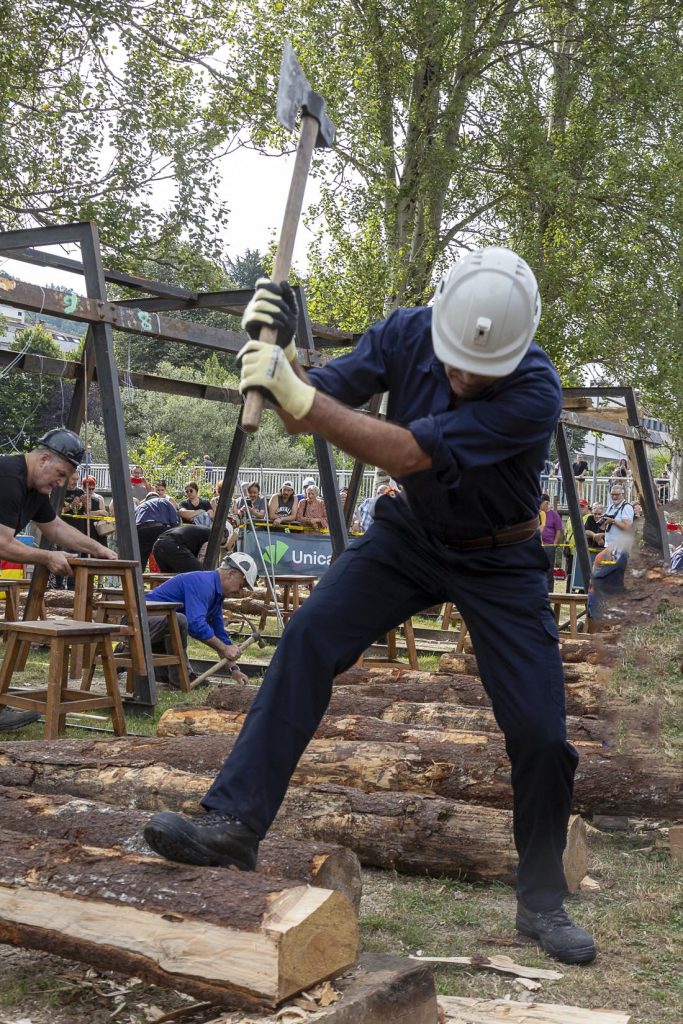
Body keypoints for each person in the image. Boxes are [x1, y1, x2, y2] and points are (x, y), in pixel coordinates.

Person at [144, 247, 596, 965]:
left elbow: (407, 451)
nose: (463, 376)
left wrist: (298, 394)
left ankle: (540, 900)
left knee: (540, 733)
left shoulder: (535, 390)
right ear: (439, 322)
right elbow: (305, 412)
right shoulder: (402, 331)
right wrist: (281, 358)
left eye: (481, 371)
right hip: (410, 535)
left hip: (501, 558)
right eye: (453, 361)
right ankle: (234, 820)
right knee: (308, 637)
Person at [0, 429, 117, 731]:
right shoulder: (8, 477)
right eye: (60, 474)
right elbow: (1, 543)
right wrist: (47, 557)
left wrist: (99, 549)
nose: (61, 483)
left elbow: (54, 527)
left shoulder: (35, 491)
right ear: (44, 458)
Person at [141, 553, 258, 688]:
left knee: (176, 621)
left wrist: (235, 670)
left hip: (157, 629)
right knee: (178, 620)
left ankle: (179, 676)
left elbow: (220, 634)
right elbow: (195, 625)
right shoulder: (203, 584)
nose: (240, 591)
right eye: (241, 585)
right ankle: (181, 678)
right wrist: (224, 648)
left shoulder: (216, 595)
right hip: (141, 621)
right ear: (231, 573)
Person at [134, 491, 180, 571]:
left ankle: (137, 580)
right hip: (160, 529)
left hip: (141, 530)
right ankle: (167, 577)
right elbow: (174, 522)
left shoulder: (139, 506)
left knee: (141, 559)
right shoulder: (164, 501)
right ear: (158, 497)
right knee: (166, 554)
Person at [539, 494, 563, 591]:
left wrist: (554, 544)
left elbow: (559, 530)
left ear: (547, 503)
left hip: (549, 546)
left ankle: (549, 592)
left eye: (541, 503)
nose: (539, 505)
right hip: (538, 545)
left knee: (549, 571)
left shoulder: (554, 514)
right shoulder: (538, 514)